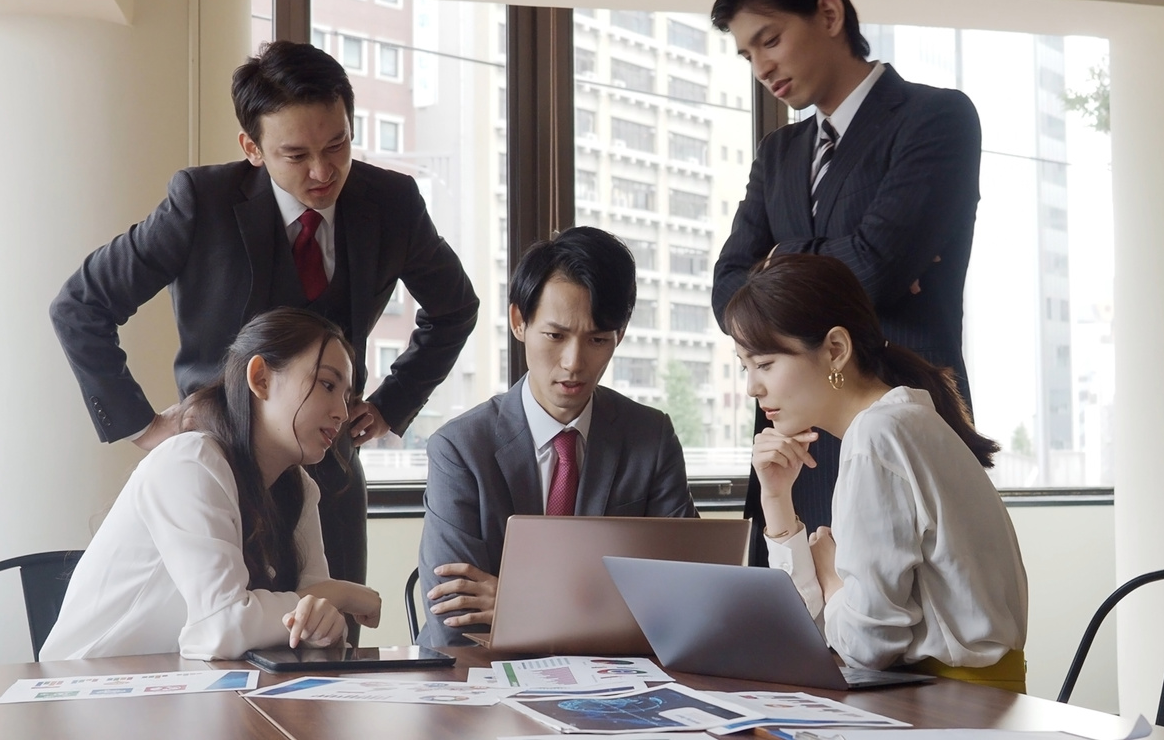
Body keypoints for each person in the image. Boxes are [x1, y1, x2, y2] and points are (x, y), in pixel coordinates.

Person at [50, 41, 480, 606]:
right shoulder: (200, 202)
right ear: (252, 147)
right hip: (217, 470)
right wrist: (145, 428)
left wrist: (392, 402)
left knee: (332, 653)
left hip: (331, 477)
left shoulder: (391, 202)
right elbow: (80, 306)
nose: (324, 171)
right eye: (296, 154)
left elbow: (455, 307)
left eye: (338, 144)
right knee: (219, 637)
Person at [709, 0, 983, 552]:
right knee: (788, 632)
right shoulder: (778, 154)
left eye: (770, 39)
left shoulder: (935, 119)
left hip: (902, 432)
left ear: (829, 15)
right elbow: (728, 290)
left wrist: (778, 261)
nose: (759, 66)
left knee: (896, 636)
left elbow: (877, 269)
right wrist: (835, 254)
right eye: (747, 53)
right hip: (794, 451)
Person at [724, 253, 1026, 692]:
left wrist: (830, 578)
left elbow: (866, 644)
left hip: (953, 707)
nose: (752, 386)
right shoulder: (898, 422)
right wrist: (776, 501)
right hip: (945, 698)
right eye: (745, 367)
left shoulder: (878, 436)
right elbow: (814, 629)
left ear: (835, 350)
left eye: (765, 363)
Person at [41, 308, 383, 660]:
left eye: (347, 397)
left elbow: (309, 616)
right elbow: (220, 627)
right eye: (327, 385)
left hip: (185, 692)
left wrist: (324, 623)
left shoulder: (299, 486)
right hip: (87, 690)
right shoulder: (190, 462)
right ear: (261, 378)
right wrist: (341, 596)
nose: (342, 413)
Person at [416, 227, 698, 648]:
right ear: (518, 322)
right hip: (482, 686)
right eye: (555, 335)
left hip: (612, 691)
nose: (574, 362)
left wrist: (521, 603)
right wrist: (602, 610)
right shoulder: (459, 449)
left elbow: (684, 598)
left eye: (598, 340)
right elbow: (454, 618)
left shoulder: (650, 438)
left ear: (618, 336)